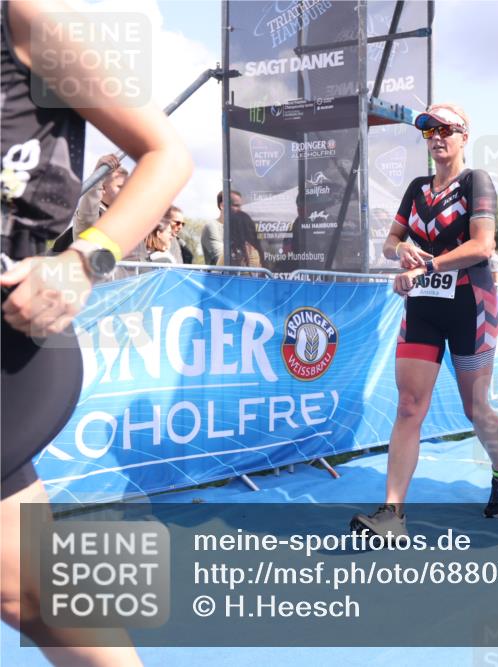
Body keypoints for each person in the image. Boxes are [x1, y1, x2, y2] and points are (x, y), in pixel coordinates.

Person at [1, 2, 192, 664]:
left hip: (12, 347)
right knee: (26, 588)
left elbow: (166, 154)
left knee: (34, 593)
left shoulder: (24, 18)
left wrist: (85, 261)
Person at [351, 103, 498, 540]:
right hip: (423, 306)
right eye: (429, 131)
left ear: (464, 137)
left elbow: (482, 246)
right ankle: (392, 514)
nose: (437, 137)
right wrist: (400, 250)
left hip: (471, 306)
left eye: (446, 129)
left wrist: (426, 266)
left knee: (475, 409)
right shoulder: (417, 188)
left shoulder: (476, 181)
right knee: (408, 406)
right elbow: (390, 242)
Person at [202, 189, 240, 266]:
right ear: (222, 206)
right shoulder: (211, 227)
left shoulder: (238, 228)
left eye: (239, 205)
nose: (239, 209)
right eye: (234, 205)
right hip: (219, 274)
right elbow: (225, 258)